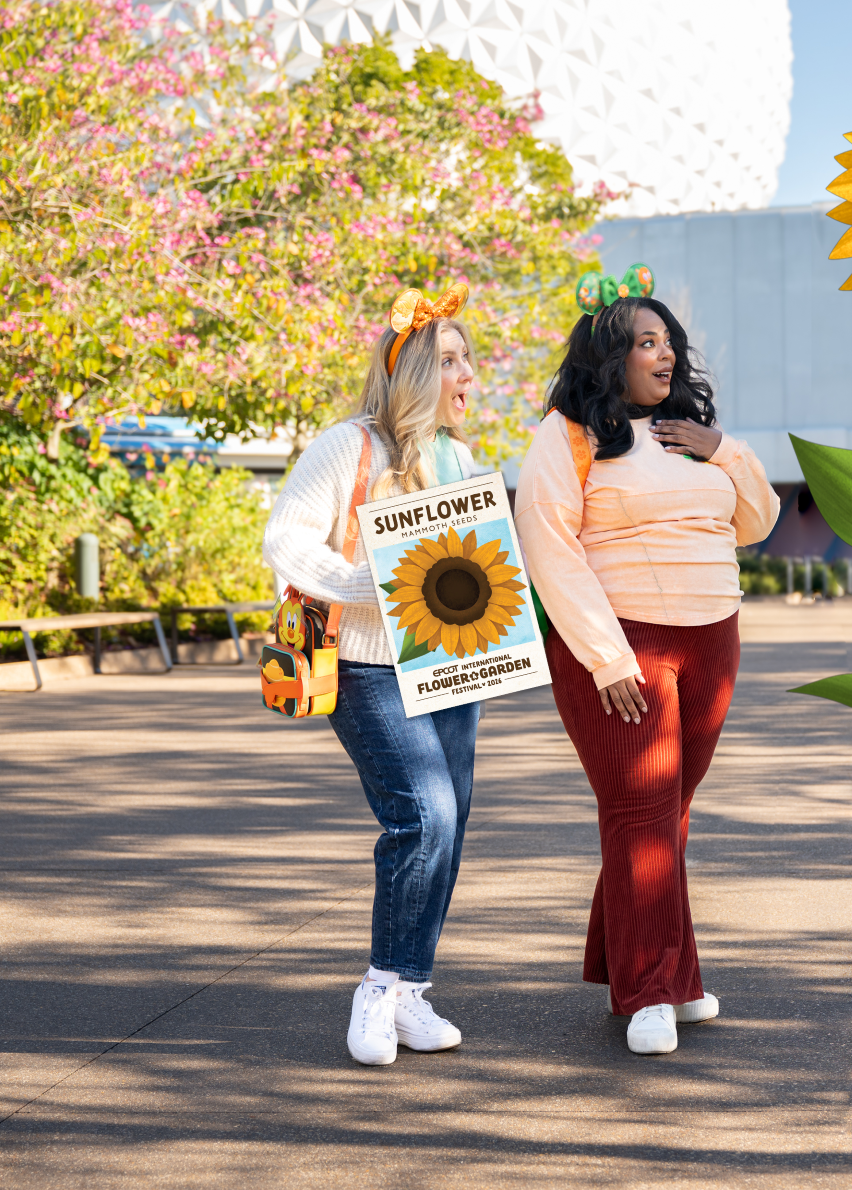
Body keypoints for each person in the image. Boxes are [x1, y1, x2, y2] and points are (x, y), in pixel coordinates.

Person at [516, 270, 778, 1056]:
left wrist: (724, 449)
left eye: (670, 343)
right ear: (609, 356)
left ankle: (654, 968)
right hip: (621, 644)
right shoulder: (568, 434)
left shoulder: (692, 438)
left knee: (667, 816)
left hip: (712, 639)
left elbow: (756, 522)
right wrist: (606, 657)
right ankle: (650, 992)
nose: (665, 356)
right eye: (646, 343)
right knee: (642, 815)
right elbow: (549, 547)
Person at [262, 283, 485, 1067]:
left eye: (470, 361)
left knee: (451, 823)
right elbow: (285, 540)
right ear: (414, 371)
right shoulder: (347, 447)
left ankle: (412, 993)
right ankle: (380, 986)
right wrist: (373, 582)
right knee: (421, 815)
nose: (470, 376)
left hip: (451, 664)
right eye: (453, 360)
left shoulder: (460, 458)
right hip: (365, 666)